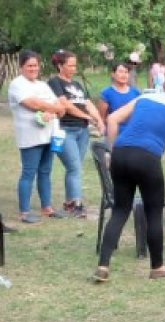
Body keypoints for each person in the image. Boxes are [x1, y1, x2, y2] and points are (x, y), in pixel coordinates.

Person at [93, 70, 165, 282]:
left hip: (121, 153)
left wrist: (112, 151)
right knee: (154, 213)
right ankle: (157, 267)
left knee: (120, 210)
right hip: (147, 157)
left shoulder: (144, 97)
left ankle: (103, 265)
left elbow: (113, 118)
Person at [8, 50, 67, 224]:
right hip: (30, 136)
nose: (33, 69)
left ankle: (47, 207)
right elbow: (32, 103)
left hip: (48, 136)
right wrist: (52, 108)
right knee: (28, 172)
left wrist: (53, 109)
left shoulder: (42, 85)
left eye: (36, 65)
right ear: (21, 67)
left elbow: (61, 106)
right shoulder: (17, 84)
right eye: (29, 66)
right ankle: (24, 212)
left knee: (45, 172)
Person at [48, 49, 105, 218]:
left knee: (74, 168)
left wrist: (99, 120)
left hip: (82, 131)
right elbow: (65, 105)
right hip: (65, 129)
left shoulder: (77, 85)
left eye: (75, 65)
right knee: (75, 168)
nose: (74, 68)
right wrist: (87, 116)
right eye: (70, 65)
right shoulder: (54, 82)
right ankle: (76, 205)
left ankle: (69, 202)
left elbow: (87, 103)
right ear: (60, 65)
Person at [97, 62, 142, 132]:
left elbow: (140, 114)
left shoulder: (136, 92)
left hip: (133, 132)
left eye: (126, 72)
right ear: (113, 74)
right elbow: (102, 117)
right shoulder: (107, 93)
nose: (123, 75)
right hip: (114, 132)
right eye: (120, 72)